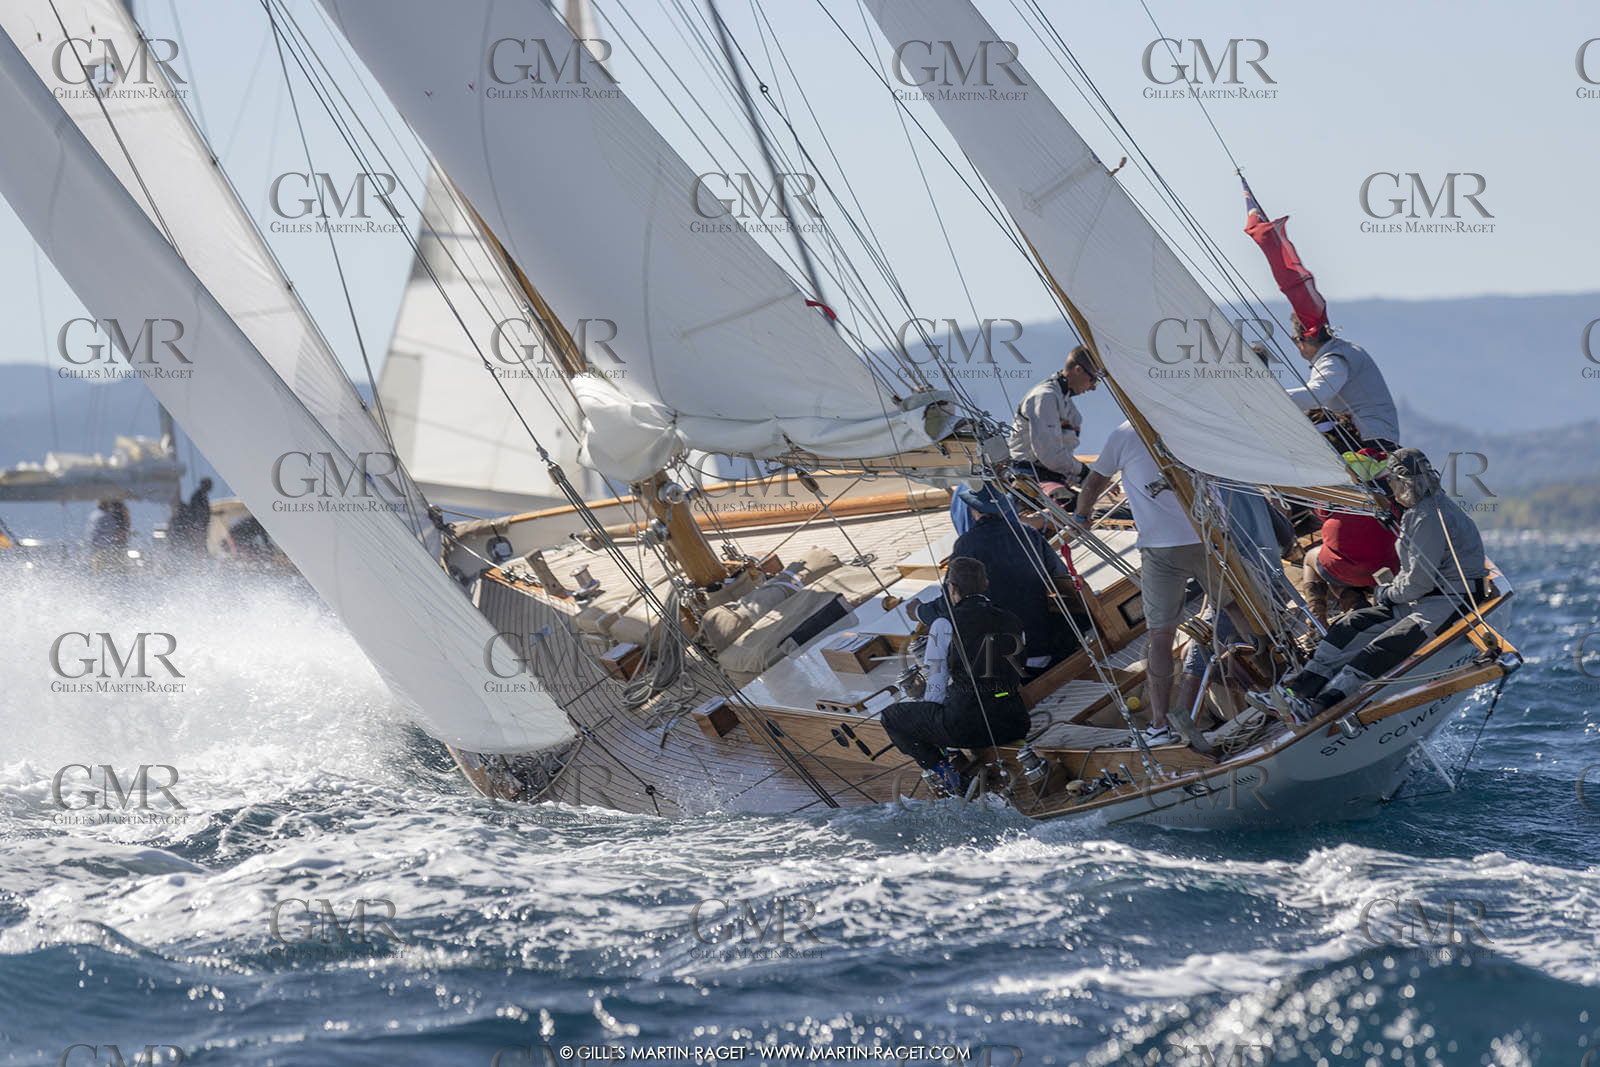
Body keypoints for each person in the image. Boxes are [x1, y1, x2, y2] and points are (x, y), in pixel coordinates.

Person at [1277, 449, 1488, 718]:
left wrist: (1385, 594)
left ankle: (1317, 707)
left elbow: (1418, 583)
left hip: (1449, 603)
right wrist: (1389, 594)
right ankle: (1298, 691)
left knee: (1381, 649)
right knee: (1348, 625)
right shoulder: (1420, 512)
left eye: (1392, 481)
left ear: (1405, 482)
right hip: (1423, 601)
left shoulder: (1427, 517)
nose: (1390, 486)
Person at [1075, 421, 1234, 748]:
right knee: (1238, 608)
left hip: (1161, 550)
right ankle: (1279, 682)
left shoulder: (1122, 433)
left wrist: (1081, 517)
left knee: (1160, 635)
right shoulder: (1184, 417)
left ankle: (1159, 726)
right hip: (1207, 537)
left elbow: (1094, 482)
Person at [883, 556, 1031, 790]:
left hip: (968, 728)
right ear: (986, 585)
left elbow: (937, 684)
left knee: (891, 717)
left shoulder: (944, 625)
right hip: (1015, 720)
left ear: (952, 590)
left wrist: (931, 724)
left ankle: (950, 777)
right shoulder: (1012, 619)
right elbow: (1017, 668)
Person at [921, 484, 1082, 670]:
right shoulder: (1028, 533)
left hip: (1007, 662)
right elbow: (1061, 577)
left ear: (973, 511)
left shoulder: (966, 544)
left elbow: (951, 600)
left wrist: (920, 611)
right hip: (1043, 645)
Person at [1284, 315, 1400, 453]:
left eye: (1294, 340)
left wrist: (1268, 395)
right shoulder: (1347, 350)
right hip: (1379, 438)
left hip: (1368, 441)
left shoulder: (1333, 359)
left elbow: (1316, 395)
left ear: (1301, 341)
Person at [1009, 345, 1099, 493]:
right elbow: (1049, 454)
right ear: (1078, 370)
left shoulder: (1066, 404)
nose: (1093, 387)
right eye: (1093, 379)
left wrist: (1088, 480)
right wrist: (1085, 473)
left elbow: (1062, 455)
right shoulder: (1045, 397)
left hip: (1050, 477)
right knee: (1088, 510)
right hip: (1028, 479)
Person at [170, 477, 213, 555]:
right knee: (198, 546)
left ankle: (202, 559)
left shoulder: (201, 495)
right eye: (209, 484)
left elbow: (202, 512)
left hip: (199, 527)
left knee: (199, 546)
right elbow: (196, 511)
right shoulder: (199, 495)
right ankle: (201, 560)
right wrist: (196, 525)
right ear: (204, 485)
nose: (211, 487)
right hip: (197, 526)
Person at [86, 498, 130, 573]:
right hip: (109, 550)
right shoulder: (107, 516)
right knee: (117, 572)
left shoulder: (93, 515)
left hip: (98, 549)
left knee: (100, 574)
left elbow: (92, 533)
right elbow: (115, 533)